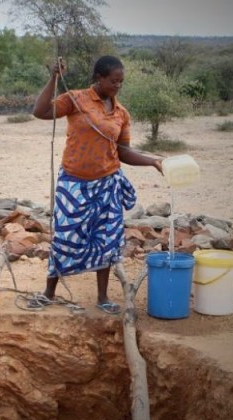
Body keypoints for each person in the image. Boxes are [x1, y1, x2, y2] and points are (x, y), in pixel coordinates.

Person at [32, 55, 163, 314]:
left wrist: (152, 162)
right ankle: (49, 293)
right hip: (73, 184)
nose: (118, 86)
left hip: (107, 183)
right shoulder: (76, 99)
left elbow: (123, 151)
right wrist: (54, 78)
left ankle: (102, 297)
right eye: (114, 81)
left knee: (107, 239)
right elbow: (41, 111)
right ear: (99, 78)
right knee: (65, 237)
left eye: (121, 82)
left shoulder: (121, 113)